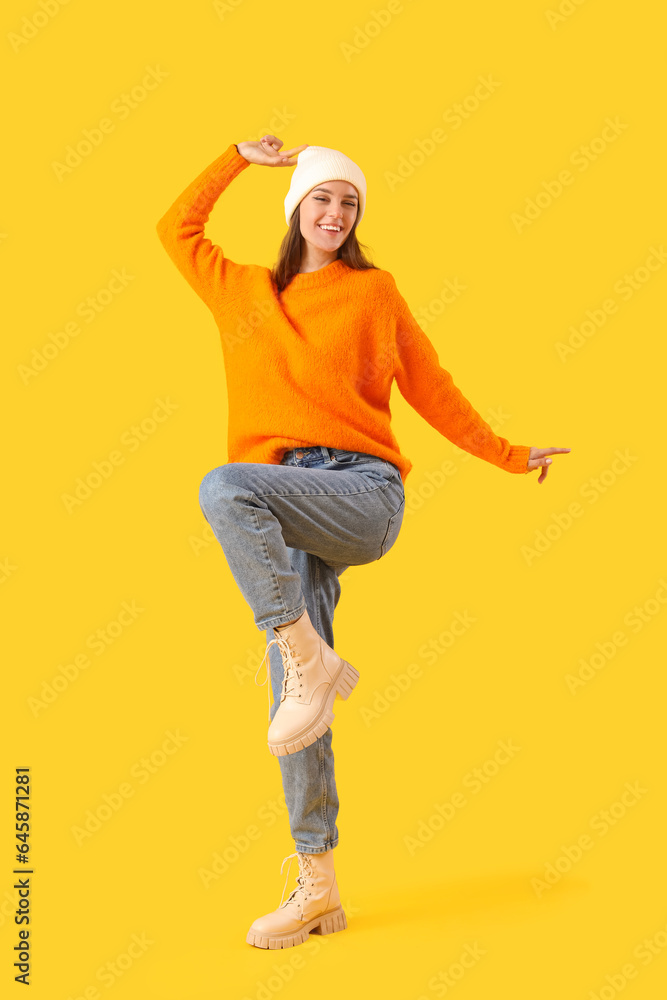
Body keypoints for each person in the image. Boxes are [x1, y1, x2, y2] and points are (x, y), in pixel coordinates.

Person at [155, 134, 571, 950]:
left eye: (349, 203)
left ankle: (303, 654)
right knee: (292, 711)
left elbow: (432, 386)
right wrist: (237, 157)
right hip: (281, 508)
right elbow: (175, 229)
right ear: (296, 208)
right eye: (323, 198)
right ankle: (319, 887)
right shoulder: (242, 293)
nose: (336, 213)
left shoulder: (374, 294)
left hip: (359, 492)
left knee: (222, 486)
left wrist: (510, 455)